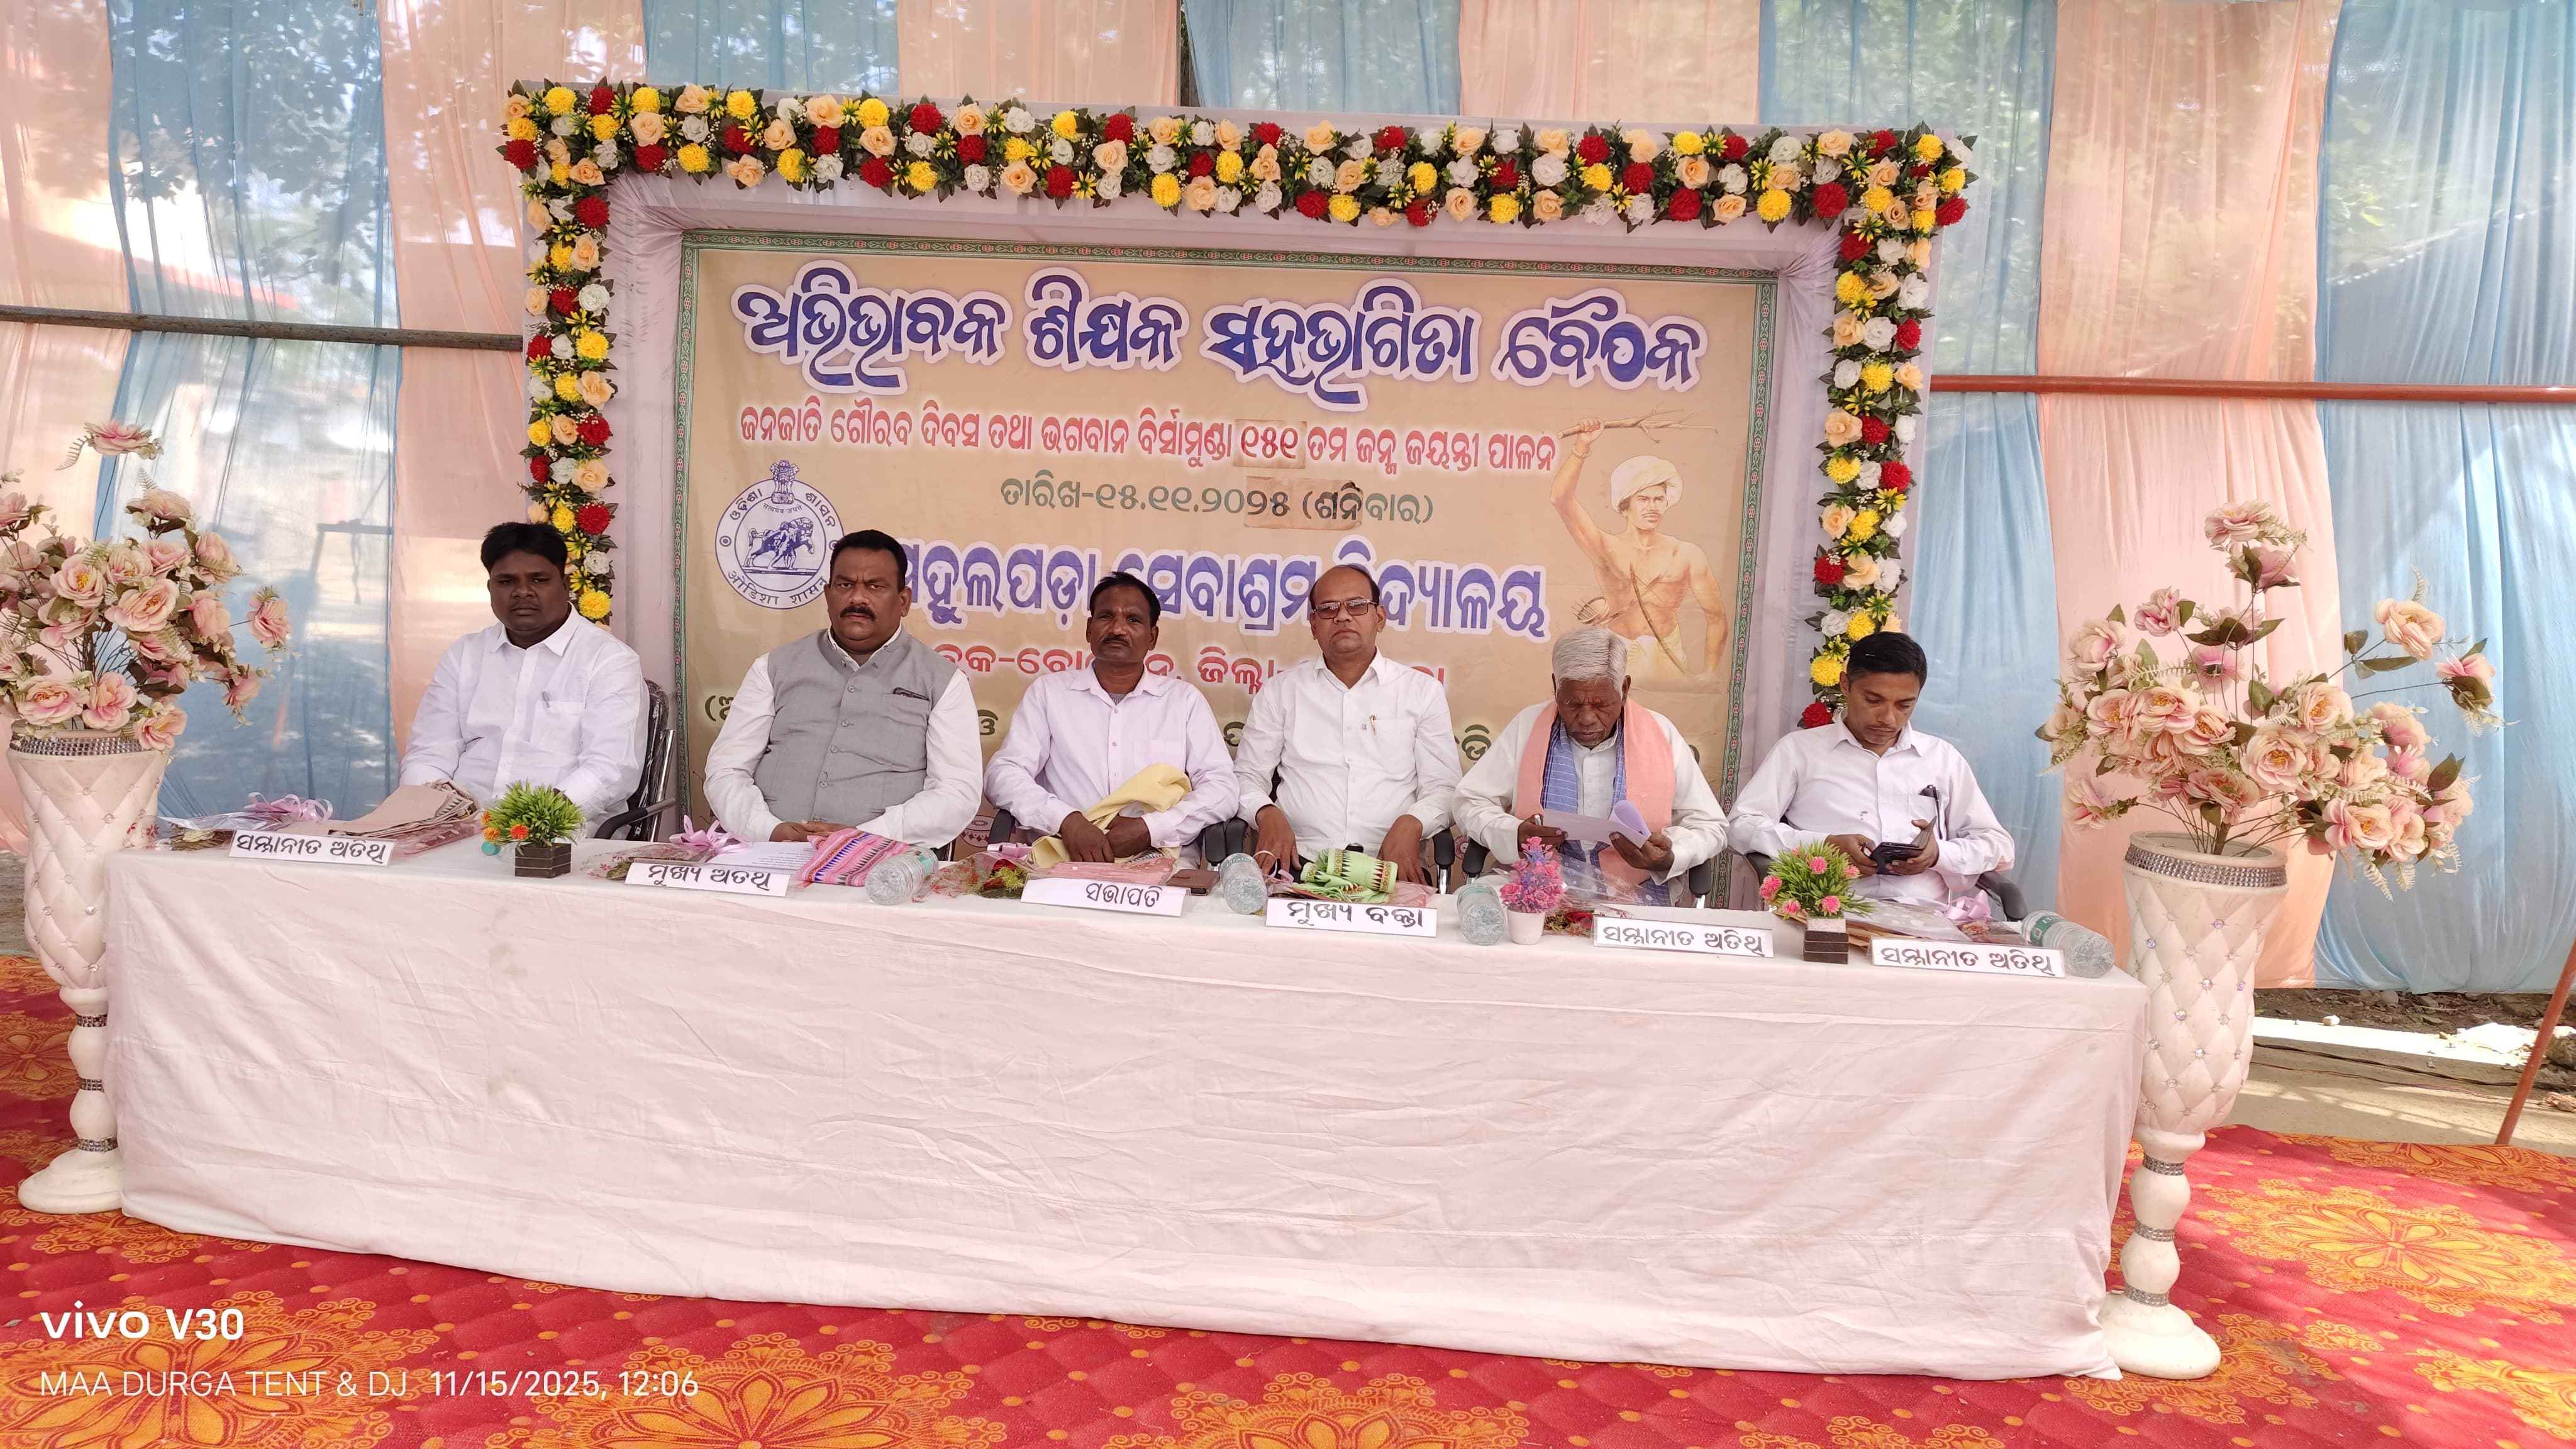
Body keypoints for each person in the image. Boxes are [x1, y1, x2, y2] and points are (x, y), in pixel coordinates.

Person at [704, 528, 980, 848]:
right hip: (768, 854)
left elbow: (956, 792)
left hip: (879, 861)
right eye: (845, 585)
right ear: (828, 595)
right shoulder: (773, 668)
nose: (857, 598)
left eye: (875, 586)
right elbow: (727, 770)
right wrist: (767, 829)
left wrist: (866, 837)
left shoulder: (942, 681)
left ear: (903, 601)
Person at [1728, 631, 2014, 906]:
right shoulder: (1799, 751)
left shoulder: (1942, 758)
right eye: (1874, 701)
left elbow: (1998, 845)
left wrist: (1939, 854)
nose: (1888, 718)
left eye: (1904, 705)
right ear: (1845, 685)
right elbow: (1742, 826)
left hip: (1923, 918)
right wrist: (1823, 846)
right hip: (1827, 912)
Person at [1452, 628, 1729, 903]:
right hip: (1536, 886)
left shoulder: (1660, 733)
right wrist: (1513, 834)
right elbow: (1470, 800)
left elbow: (1709, 825)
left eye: (1601, 704)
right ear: (1555, 686)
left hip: (1633, 893)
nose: (1586, 718)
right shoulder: (1529, 725)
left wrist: (1672, 855)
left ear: (1624, 689)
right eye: (1572, 703)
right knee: (1471, 908)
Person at [984, 572, 1238, 862]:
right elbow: (1003, 774)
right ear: (1089, 629)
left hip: (1161, 863)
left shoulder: (1183, 701)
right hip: (1064, 860)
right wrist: (1066, 821)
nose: (1118, 629)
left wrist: (1152, 829)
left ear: (1152, 637)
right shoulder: (1049, 693)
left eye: (1133, 620)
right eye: (1106, 617)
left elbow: (1222, 788)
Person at [399, 522, 644, 823]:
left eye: (539, 580)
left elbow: (609, 770)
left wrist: (524, 822)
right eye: (506, 582)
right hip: (458, 824)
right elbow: (429, 754)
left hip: (559, 829)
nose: (522, 592)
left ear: (565, 585)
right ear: (490, 588)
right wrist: (427, 817)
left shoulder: (609, 660)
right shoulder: (465, 654)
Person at [1234, 563, 1460, 882]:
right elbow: (1246, 777)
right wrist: (1265, 812)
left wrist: (1413, 822)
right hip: (1297, 863)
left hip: (1389, 865)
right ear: (1314, 626)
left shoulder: (1421, 692)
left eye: (1356, 605)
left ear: (1379, 617)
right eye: (1328, 609)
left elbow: (1445, 788)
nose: (1342, 616)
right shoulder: (1280, 691)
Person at [1552, 418, 1728, 685]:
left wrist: (1711, 672)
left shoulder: (1687, 554)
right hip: (1615, 655)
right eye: (1643, 500)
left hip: (1666, 655)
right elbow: (1561, 499)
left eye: (1659, 499)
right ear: (1625, 507)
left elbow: (1716, 616)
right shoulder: (1605, 547)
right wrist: (1583, 445)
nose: (1652, 507)